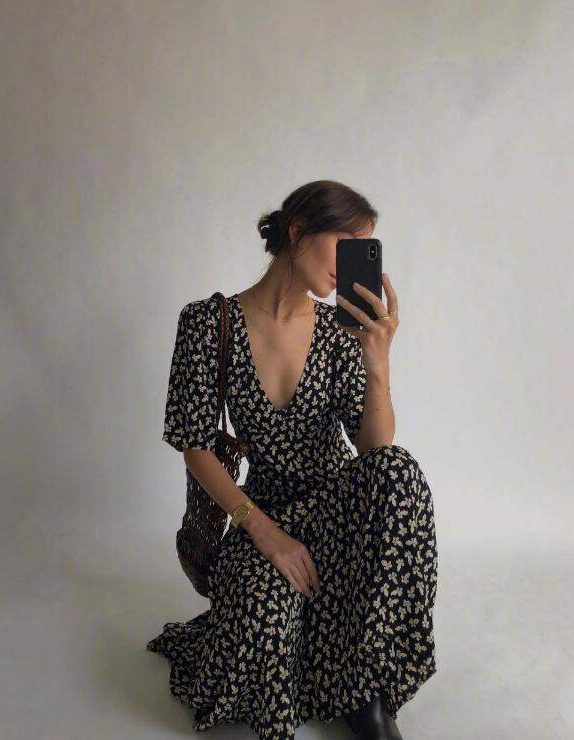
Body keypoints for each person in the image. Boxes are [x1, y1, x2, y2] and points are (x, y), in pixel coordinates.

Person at [146, 179, 438, 740]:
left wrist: (378, 362)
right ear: (299, 230)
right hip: (261, 514)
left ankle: (368, 697)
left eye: (366, 248)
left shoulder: (338, 333)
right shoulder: (208, 324)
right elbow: (195, 445)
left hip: (337, 511)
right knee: (263, 617)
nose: (352, 261)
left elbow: (374, 451)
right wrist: (264, 532)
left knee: (398, 470)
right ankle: (319, 654)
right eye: (346, 243)